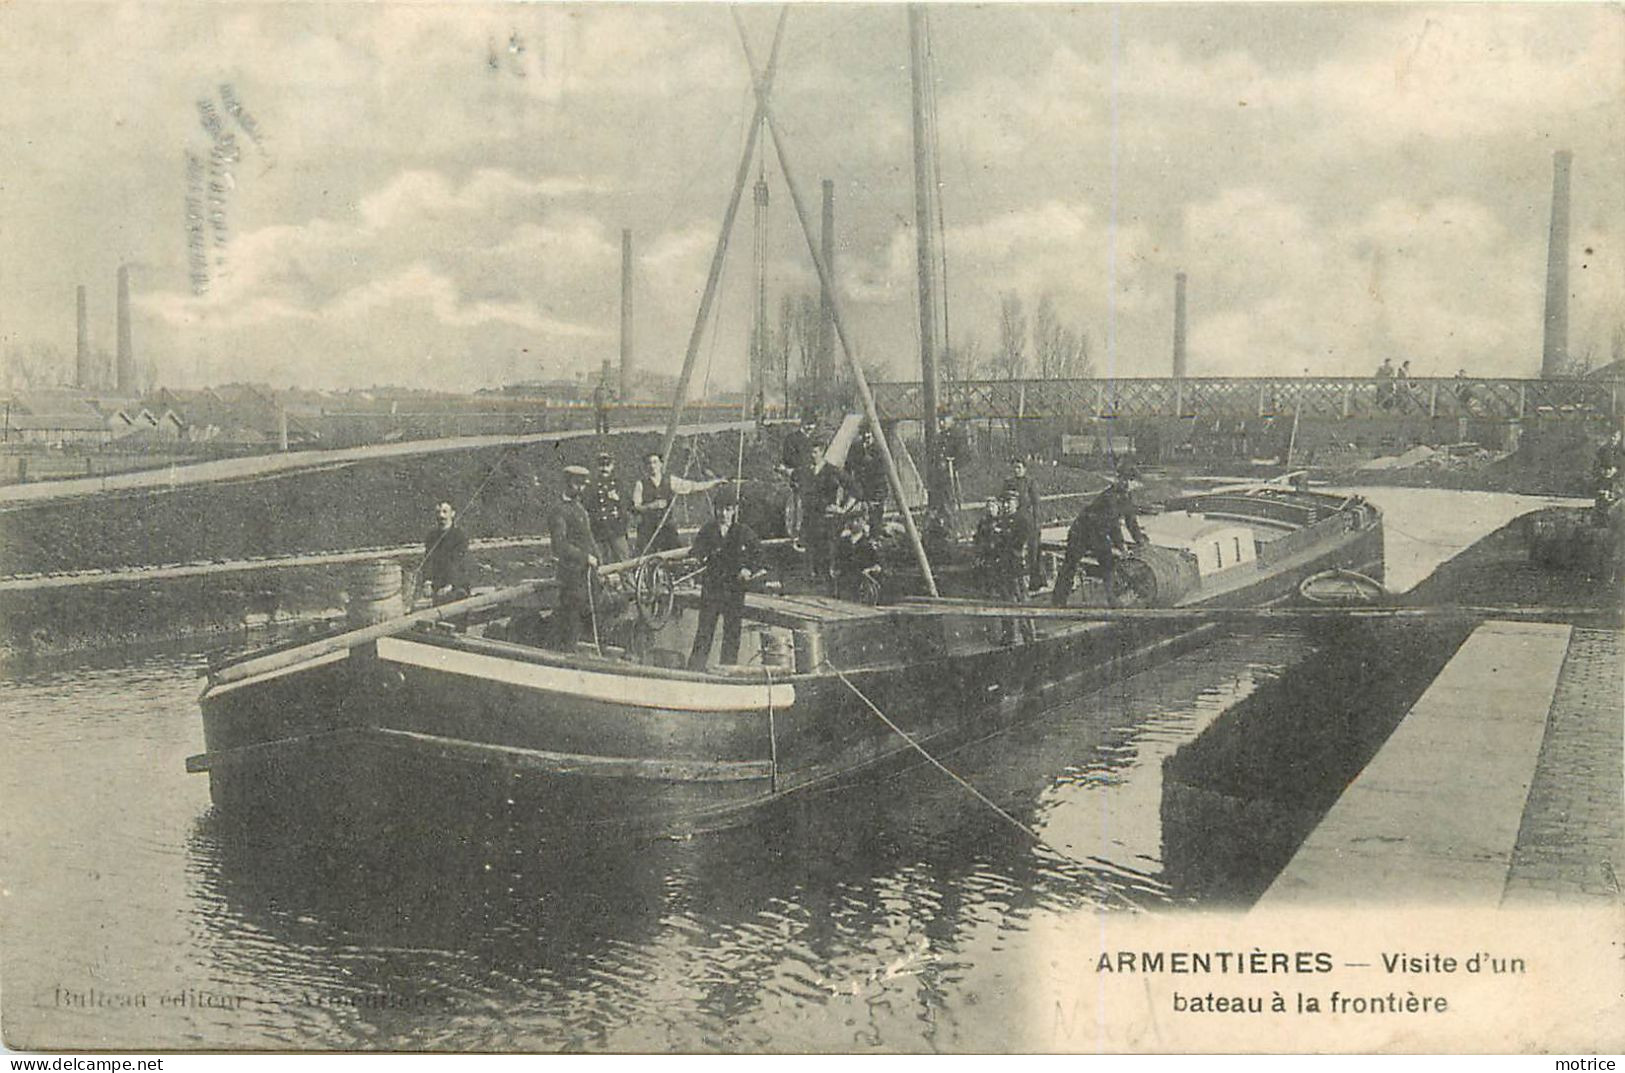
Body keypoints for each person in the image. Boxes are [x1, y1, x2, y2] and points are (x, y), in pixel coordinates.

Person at [687, 484, 762, 670]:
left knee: (732, 633)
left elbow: (759, 555)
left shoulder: (743, 532)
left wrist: (748, 569)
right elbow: (695, 552)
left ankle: (728, 670)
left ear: (735, 510)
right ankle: (695, 670)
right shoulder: (707, 530)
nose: (723, 513)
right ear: (715, 509)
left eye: (728, 509)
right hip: (711, 588)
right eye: (720, 509)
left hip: (734, 590)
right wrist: (697, 558)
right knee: (704, 632)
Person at [1052, 468, 1146, 607]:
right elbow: (1114, 526)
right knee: (1070, 565)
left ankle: (1113, 601)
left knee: (1108, 565)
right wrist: (1122, 546)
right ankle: (1058, 601)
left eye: (1131, 482)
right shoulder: (1110, 497)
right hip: (1081, 532)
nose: (1128, 485)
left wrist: (1141, 541)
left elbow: (1131, 521)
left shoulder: (1127, 497)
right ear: (1121, 480)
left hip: (1099, 533)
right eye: (1125, 480)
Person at [548, 465, 601, 650]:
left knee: (593, 610)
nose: (581, 489)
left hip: (588, 573)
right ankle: (569, 652)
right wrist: (585, 557)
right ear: (567, 484)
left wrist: (598, 559)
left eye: (583, 485)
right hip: (571, 574)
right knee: (572, 614)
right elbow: (560, 545)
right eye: (577, 484)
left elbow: (588, 537)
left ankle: (589, 651)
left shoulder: (579, 507)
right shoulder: (559, 510)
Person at [631, 452, 724, 554]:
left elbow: (693, 486)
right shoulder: (640, 484)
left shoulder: (670, 481)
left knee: (674, 554)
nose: (652, 466)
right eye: (649, 463)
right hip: (647, 528)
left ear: (661, 464)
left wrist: (714, 483)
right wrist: (651, 506)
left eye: (655, 462)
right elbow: (636, 507)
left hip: (666, 526)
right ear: (645, 466)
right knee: (645, 556)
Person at [805, 444, 860, 589]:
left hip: (828, 519)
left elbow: (855, 489)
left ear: (822, 453)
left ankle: (833, 587)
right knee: (814, 552)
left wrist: (843, 509)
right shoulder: (808, 472)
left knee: (830, 551)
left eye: (815, 452)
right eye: (810, 452)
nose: (812, 455)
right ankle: (816, 584)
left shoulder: (832, 471)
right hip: (812, 519)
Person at [990, 482, 1037, 644]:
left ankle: (1029, 636)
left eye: (1009, 502)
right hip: (1006, 568)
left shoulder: (1022, 520)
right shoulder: (1005, 520)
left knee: (1022, 602)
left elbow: (1019, 544)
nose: (1006, 505)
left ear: (1016, 503)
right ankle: (1010, 635)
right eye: (1004, 503)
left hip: (1018, 568)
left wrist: (1002, 537)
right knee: (1007, 601)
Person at [421, 500, 473, 605]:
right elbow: (428, 561)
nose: (441, 516)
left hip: (457, 586)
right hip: (437, 586)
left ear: (452, 514)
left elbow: (458, 563)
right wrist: (427, 582)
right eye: (438, 512)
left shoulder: (459, 536)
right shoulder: (431, 537)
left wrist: (450, 585)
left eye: (445, 512)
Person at [585, 452, 631, 564]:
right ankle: (603, 582)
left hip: (616, 529)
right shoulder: (591, 485)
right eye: (601, 465)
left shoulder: (619, 484)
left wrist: (618, 499)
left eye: (607, 465)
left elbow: (629, 504)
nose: (604, 468)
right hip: (598, 530)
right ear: (596, 467)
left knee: (624, 562)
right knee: (601, 563)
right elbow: (587, 506)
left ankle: (628, 582)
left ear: (612, 466)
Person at [846, 426, 890, 532]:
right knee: (859, 516)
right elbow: (850, 465)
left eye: (869, 433)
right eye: (864, 433)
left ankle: (875, 533)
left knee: (875, 515)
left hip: (876, 487)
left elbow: (881, 472)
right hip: (861, 487)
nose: (867, 436)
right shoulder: (855, 447)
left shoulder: (880, 448)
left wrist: (877, 497)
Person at [1009, 457, 1044, 590]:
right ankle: (1016, 582)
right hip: (1014, 522)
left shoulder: (1030, 483)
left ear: (1024, 469)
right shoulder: (1009, 483)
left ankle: (1035, 582)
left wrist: (1037, 523)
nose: (1016, 470)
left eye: (1019, 467)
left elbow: (1036, 504)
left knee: (1033, 552)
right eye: (1014, 468)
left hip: (1028, 521)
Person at [832, 513, 883, 604]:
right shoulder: (843, 542)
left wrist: (869, 570)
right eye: (852, 521)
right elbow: (837, 560)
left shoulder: (868, 544)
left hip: (861, 584)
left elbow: (877, 564)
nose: (854, 523)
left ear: (863, 523)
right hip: (844, 582)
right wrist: (835, 569)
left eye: (857, 521)